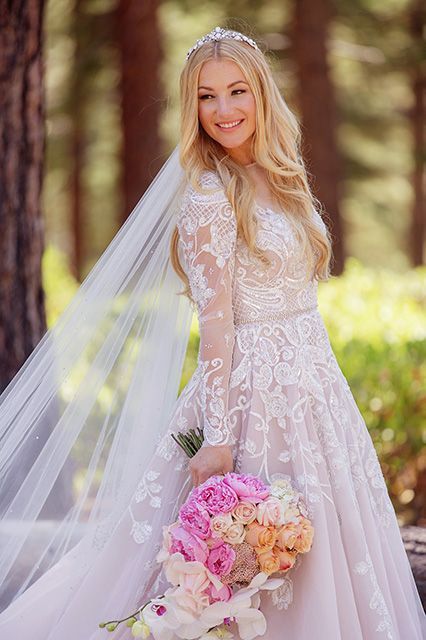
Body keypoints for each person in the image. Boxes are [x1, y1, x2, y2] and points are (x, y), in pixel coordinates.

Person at [0, 26, 425, 640]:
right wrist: (220, 441)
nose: (223, 111)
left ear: (260, 94)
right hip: (249, 401)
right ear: (191, 107)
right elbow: (217, 327)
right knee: (242, 557)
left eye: (236, 92)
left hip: (314, 391)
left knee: (324, 548)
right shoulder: (207, 194)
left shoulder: (282, 178)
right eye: (206, 97)